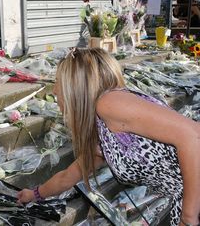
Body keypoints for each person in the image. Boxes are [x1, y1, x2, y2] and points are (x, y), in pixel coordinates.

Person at [16, 48, 200, 226]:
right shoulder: (101, 132)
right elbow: (67, 176)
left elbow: (193, 136)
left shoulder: (109, 103)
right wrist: (34, 194)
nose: (55, 91)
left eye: (58, 82)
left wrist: (189, 216)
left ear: (76, 85)